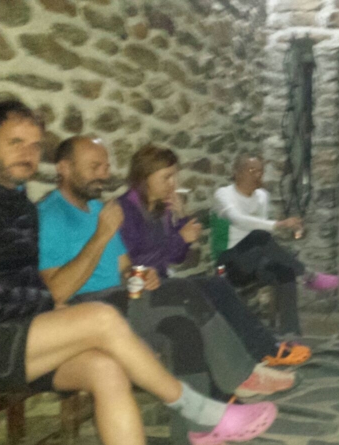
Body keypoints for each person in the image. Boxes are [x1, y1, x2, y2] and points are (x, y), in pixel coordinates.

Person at [0, 101, 276, 445]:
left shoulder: (16, 201)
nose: (28, 154)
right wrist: (46, 304)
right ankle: (206, 410)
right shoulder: (15, 207)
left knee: (110, 368)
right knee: (106, 316)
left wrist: (139, 271)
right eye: (15, 142)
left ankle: (203, 421)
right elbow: (10, 296)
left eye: (35, 145)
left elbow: (21, 280)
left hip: (18, 331)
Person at [37, 136, 295, 403]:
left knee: (183, 327)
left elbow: (126, 267)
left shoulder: (100, 209)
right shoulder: (52, 214)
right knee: (188, 292)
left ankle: (211, 413)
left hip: (126, 295)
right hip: (90, 308)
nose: (104, 174)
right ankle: (242, 375)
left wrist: (139, 273)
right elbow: (57, 291)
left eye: (106, 166)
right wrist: (102, 236)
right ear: (64, 168)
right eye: (95, 167)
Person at [117, 143, 311, 366]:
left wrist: (180, 218)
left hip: (163, 281)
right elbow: (134, 263)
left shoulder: (159, 207)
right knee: (212, 290)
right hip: (140, 291)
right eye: (166, 177)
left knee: (217, 287)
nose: (173, 184)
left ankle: (262, 350)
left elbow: (176, 257)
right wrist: (181, 237)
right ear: (144, 177)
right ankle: (264, 351)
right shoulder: (126, 210)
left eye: (174, 176)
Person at [213, 152, 339, 335]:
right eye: (251, 170)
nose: (257, 175)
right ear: (237, 172)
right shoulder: (223, 194)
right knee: (259, 236)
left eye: (260, 171)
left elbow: (264, 235)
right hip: (228, 264)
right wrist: (280, 224)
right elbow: (238, 219)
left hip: (253, 262)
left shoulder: (262, 196)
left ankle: (290, 332)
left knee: (285, 270)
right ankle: (309, 275)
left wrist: (289, 232)